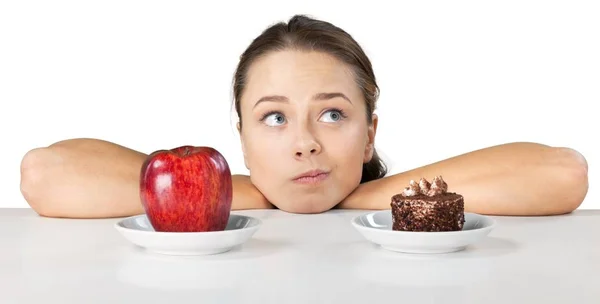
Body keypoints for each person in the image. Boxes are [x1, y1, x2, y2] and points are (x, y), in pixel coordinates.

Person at [19, 14, 588, 219]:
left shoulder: (382, 204)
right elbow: (45, 174)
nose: (305, 144)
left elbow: (564, 173)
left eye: (333, 115)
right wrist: (236, 193)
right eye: (273, 119)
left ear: (370, 135)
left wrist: (363, 195)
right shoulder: (237, 195)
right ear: (239, 138)